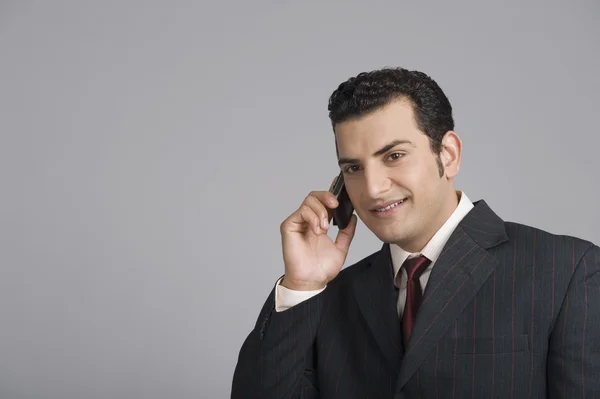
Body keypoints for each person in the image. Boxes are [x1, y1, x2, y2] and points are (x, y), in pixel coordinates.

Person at [230, 67, 600, 398]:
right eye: (354, 168)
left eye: (394, 156)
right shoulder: (326, 300)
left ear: (449, 154)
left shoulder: (566, 272)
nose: (373, 188)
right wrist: (301, 285)